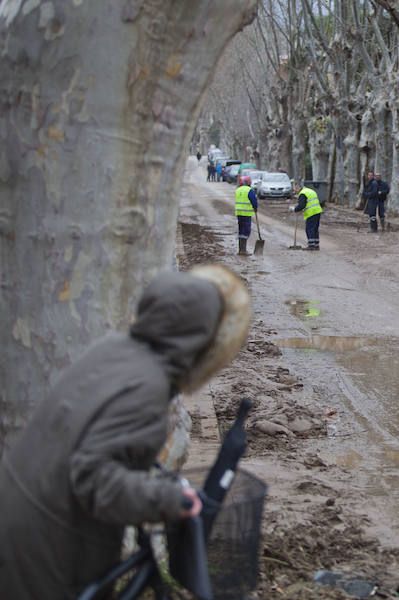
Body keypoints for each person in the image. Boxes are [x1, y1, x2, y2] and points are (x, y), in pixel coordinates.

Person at [0, 265, 251, 600]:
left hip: (21, 510)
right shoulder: (148, 387)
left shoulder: (113, 349)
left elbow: (94, 436)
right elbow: (94, 480)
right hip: (48, 549)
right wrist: (168, 500)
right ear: (202, 340)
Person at [291, 182, 323, 250]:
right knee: (315, 229)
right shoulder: (309, 190)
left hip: (311, 213)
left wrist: (295, 209)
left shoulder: (303, 194)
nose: (295, 192)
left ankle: (311, 246)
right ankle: (316, 245)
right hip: (317, 211)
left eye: (295, 190)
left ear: (298, 188)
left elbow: (302, 205)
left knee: (309, 229)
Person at [235, 174, 259, 255]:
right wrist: (255, 208)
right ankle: (243, 250)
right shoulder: (249, 190)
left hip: (239, 213)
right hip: (246, 213)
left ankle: (240, 249)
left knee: (241, 230)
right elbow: (254, 201)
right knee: (246, 231)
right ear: (249, 182)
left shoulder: (238, 190)